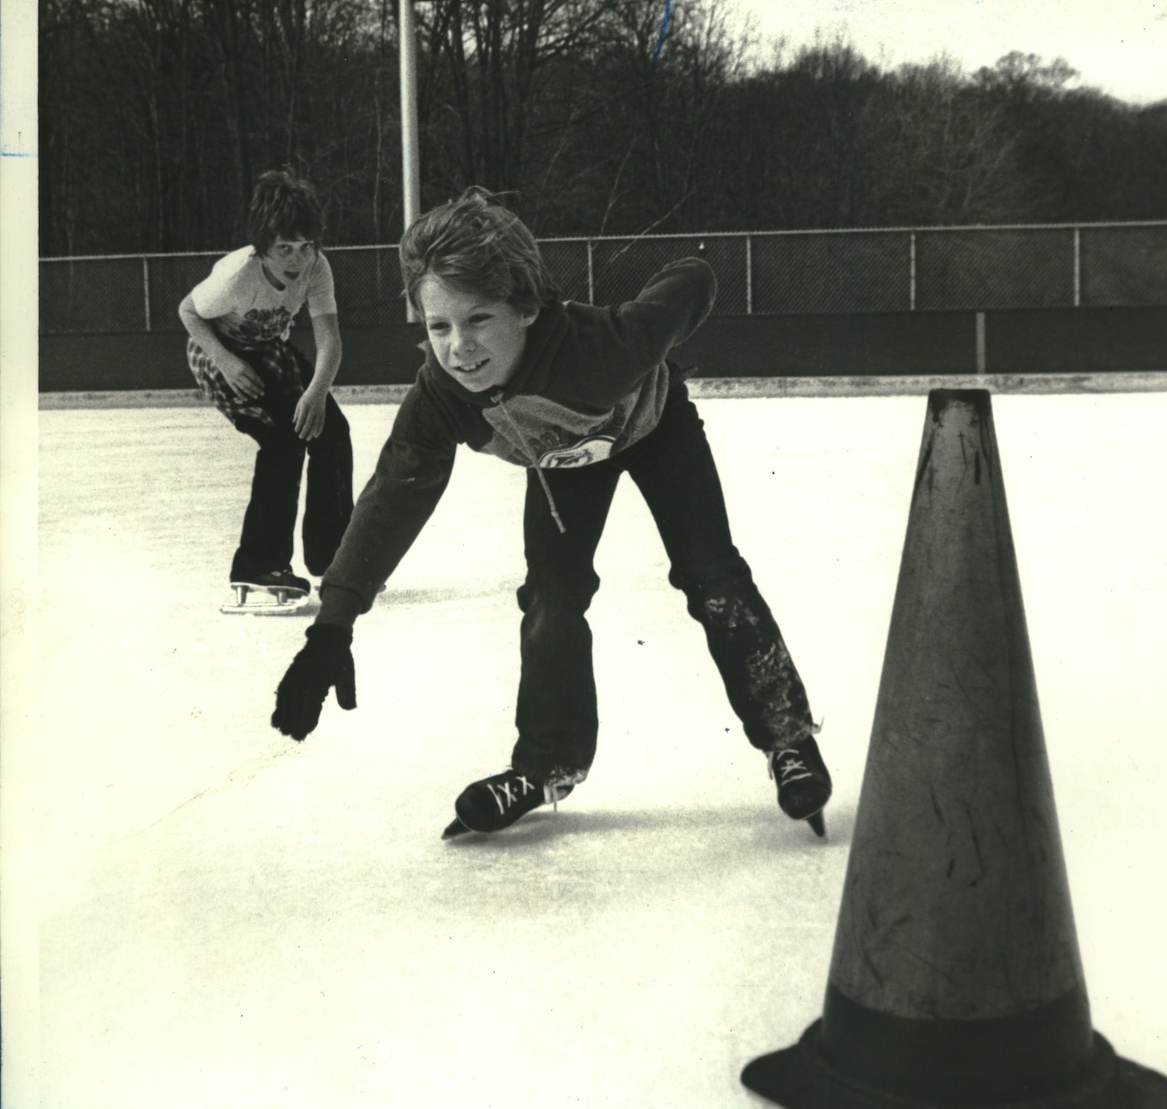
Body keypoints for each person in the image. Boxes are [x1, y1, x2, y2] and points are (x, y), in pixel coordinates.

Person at [270, 187, 831, 837]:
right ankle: (544, 763)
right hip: (562, 465)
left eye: (479, 319)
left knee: (713, 575)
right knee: (550, 597)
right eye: (439, 326)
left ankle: (788, 737)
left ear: (526, 307)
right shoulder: (442, 396)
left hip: (654, 431)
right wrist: (332, 626)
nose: (460, 349)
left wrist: (667, 328)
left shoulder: (601, 350)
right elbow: (391, 498)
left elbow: (693, 276)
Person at [179, 168, 354, 607]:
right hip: (218, 352)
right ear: (262, 248)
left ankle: (333, 555)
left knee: (332, 431)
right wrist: (226, 361)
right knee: (282, 442)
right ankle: (258, 564)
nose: (297, 259)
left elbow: (329, 339)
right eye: (284, 249)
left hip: (269, 348)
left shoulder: (316, 268)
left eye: (305, 246)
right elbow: (188, 312)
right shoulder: (236, 275)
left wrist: (316, 394)